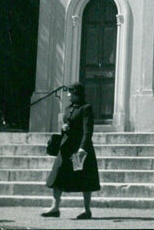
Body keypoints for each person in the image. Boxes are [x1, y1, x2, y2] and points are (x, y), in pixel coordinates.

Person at [42, 83, 100, 219]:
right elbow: (68, 124)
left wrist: (83, 148)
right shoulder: (68, 108)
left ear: (77, 94)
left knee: (85, 178)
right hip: (66, 147)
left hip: (79, 149)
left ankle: (87, 210)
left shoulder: (86, 109)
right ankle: (55, 208)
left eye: (70, 93)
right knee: (57, 174)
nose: (68, 95)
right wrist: (64, 128)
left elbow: (87, 131)